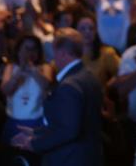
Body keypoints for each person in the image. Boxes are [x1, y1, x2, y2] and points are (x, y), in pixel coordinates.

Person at [11, 28, 104, 165]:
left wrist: (34, 144)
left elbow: (68, 131)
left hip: (70, 159)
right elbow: (68, 122)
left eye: (54, 52)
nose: (53, 57)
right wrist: (37, 133)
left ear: (63, 53)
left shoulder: (69, 86)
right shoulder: (89, 77)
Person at [1, 34, 52, 147]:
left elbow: (46, 85)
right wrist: (19, 73)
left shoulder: (45, 67)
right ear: (19, 51)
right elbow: (5, 90)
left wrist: (33, 70)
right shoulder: (11, 68)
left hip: (37, 122)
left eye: (34, 49)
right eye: (27, 49)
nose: (30, 53)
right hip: (14, 122)